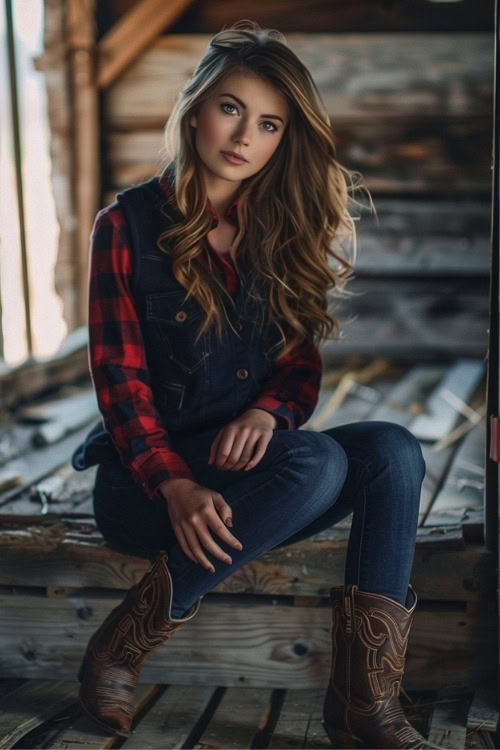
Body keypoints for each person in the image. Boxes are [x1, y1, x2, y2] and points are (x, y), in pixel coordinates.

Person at [71, 20, 444, 749]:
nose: (245, 135)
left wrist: (272, 412)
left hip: (257, 482)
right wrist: (175, 483)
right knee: (320, 462)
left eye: (269, 123)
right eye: (232, 108)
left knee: (394, 451)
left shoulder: (277, 226)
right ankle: (123, 640)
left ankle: (365, 706)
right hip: (150, 488)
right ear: (196, 108)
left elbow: (298, 369)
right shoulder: (126, 223)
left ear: (284, 139)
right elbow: (119, 378)